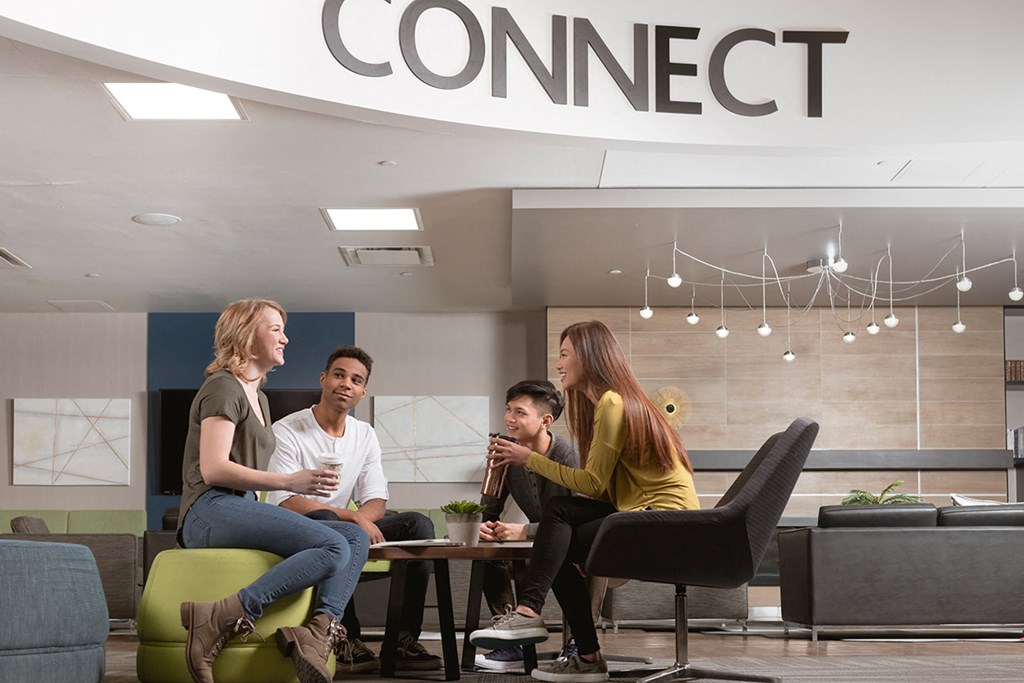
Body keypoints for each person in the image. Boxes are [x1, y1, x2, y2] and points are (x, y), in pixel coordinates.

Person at [469, 320, 699, 683]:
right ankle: (579, 650)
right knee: (556, 533)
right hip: (643, 515)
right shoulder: (612, 403)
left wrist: (528, 459)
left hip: (665, 522)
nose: (558, 364)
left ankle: (535, 618)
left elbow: (591, 484)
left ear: (589, 357)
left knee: (556, 526)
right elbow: (603, 490)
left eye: (564, 354)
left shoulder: (612, 401)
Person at [177, 299, 369, 683]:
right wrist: (289, 481)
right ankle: (223, 616)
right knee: (333, 546)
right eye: (275, 329)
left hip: (238, 507)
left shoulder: (259, 397)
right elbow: (213, 468)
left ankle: (318, 633)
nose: (285, 337)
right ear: (247, 336)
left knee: (352, 534)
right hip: (208, 509)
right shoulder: (222, 388)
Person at [266, 345, 441, 673]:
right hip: (302, 525)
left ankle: (403, 639)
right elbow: (286, 501)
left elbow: (376, 499)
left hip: (347, 524)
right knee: (331, 521)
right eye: (339, 374)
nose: (346, 383)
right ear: (323, 379)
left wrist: (360, 517)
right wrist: (353, 517)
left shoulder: (364, 434)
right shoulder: (287, 430)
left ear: (362, 392)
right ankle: (347, 638)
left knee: (418, 525)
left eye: (356, 380)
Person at [475, 380, 579, 672]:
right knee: (487, 558)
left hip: (575, 541)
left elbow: (587, 516)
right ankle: (513, 641)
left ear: (546, 420)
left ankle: (579, 644)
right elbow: (487, 512)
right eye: (509, 410)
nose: (510, 418)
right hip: (537, 545)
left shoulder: (568, 454)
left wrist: (526, 531)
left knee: (584, 557)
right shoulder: (506, 454)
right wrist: (483, 528)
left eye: (520, 412)